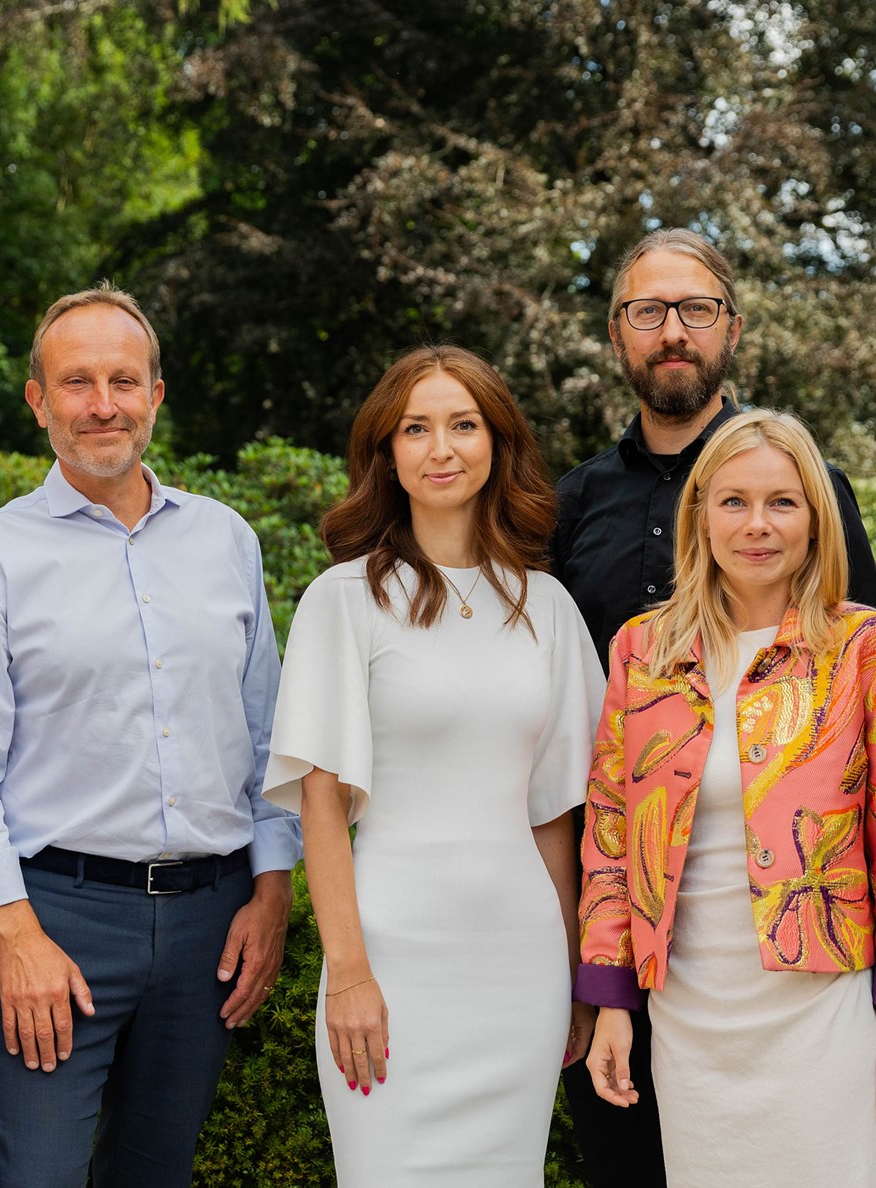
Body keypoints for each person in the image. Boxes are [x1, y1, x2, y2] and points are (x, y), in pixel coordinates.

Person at [0, 283, 301, 1187]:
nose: (103, 404)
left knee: (154, 1174)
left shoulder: (225, 541)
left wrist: (273, 891)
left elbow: (267, 741)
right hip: (59, 918)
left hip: (212, 919)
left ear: (156, 395)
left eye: (123, 381)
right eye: (78, 382)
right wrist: (16, 937)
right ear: (38, 400)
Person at [549, 226, 876, 1187]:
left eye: (695, 309)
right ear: (618, 334)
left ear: (730, 328)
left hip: (789, 942)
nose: (672, 331)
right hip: (628, 912)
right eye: (647, 311)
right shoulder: (571, 506)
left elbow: (863, 729)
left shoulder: (810, 492)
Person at [263, 346, 604, 1186]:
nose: (440, 448)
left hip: (520, 970)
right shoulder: (342, 601)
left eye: (463, 425)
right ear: (387, 453)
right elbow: (320, 804)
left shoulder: (548, 608)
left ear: (498, 445)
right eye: (416, 428)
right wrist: (347, 976)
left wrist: (575, 975)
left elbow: (556, 815)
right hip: (389, 965)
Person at [575, 409, 876, 1188]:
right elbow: (610, 826)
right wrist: (610, 998)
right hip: (688, 1005)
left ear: (817, 517)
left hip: (821, 1002)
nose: (757, 525)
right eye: (733, 501)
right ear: (699, 514)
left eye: (783, 502)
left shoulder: (866, 646)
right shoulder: (644, 647)